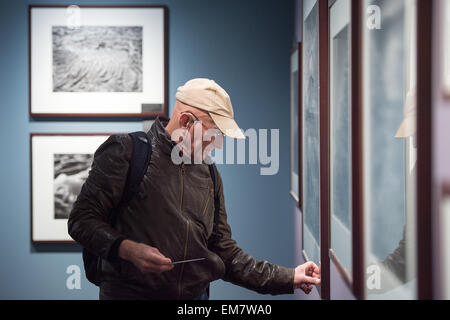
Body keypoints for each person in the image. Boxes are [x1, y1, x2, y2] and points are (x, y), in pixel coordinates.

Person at [68, 78, 321, 300]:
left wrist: (288, 277)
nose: (218, 146)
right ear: (186, 121)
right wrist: (127, 249)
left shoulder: (210, 174)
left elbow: (225, 253)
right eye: (214, 135)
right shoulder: (127, 151)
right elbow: (81, 220)